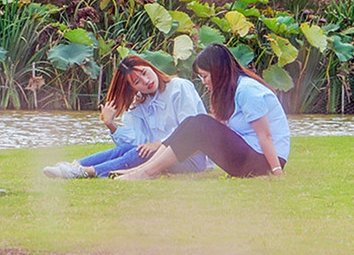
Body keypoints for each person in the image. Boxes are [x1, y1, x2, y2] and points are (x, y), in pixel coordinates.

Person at [115, 43, 289, 180]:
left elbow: (265, 135)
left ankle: (148, 171)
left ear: (218, 72)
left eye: (204, 76)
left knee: (200, 123)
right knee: (192, 122)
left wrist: (276, 170)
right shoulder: (233, 90)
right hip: (249, 156)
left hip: (263, 161)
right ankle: (143, 169)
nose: (204, 82)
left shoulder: (247, 90)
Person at [43, 55, 208, 178]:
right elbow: (135, 141)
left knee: (141, 154)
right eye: (137, 82)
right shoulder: (140, 103)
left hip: (192, 156)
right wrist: (111, 124)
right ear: (132, 88)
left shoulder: (179, 87)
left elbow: (191, 130)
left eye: (145, 72)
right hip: (160, 155)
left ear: (150, 66)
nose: (146, 81)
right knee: (127, 150)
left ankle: (88, 172)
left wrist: (158, 144)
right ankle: (75, 165)